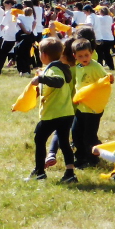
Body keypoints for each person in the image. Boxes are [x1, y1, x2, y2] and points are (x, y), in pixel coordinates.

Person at [27, 36, 77, 183]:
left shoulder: (53, 70)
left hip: (53, 114)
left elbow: (58, 82)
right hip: (66, 113)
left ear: (43, 55)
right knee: (64, 142)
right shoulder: (61, 68)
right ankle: (70, 173)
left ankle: (39, 172)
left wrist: (41, 79)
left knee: (39, 139)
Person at [71, 39, 111, 168]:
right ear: (75, 56)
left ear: (92, 53)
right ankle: (81, 158)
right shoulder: (78, 67)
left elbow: (106, 80)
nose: (84, 58)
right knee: (76, 133)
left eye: (86, 55)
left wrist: (110, 78)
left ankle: (93, 159)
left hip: (93, 109)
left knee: (89, 136)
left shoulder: (95, 67)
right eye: (80, 56)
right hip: (81, 107)